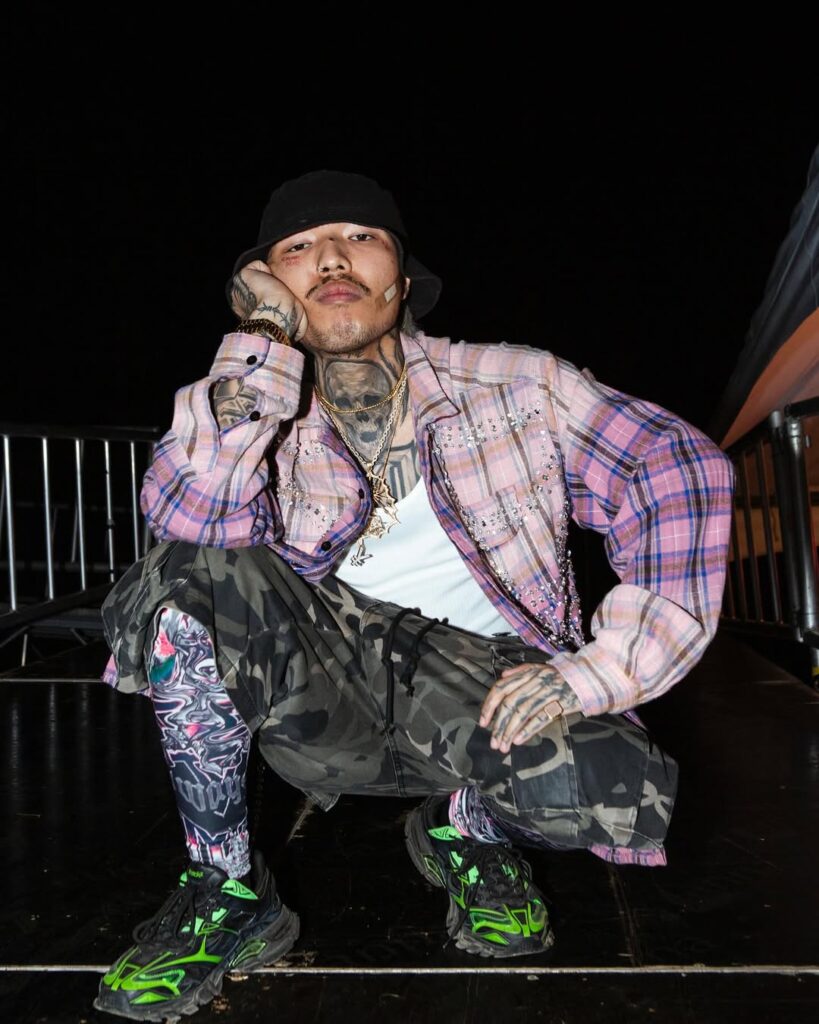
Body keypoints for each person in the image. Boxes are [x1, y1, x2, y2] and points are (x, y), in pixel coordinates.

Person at [93, 169, 734, 1021]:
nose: (331, 258)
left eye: (360, 238)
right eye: (298, 248)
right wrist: (262, 338)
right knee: (193, 564)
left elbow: (676, 467)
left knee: (617, 782)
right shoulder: (257, 403)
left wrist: (605, 665)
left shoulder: (517, 385)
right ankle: (227, 887)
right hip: (325, 683)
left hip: (486, 684)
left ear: (401, 277)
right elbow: (193, 514)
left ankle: (462, 828)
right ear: (267, 285)